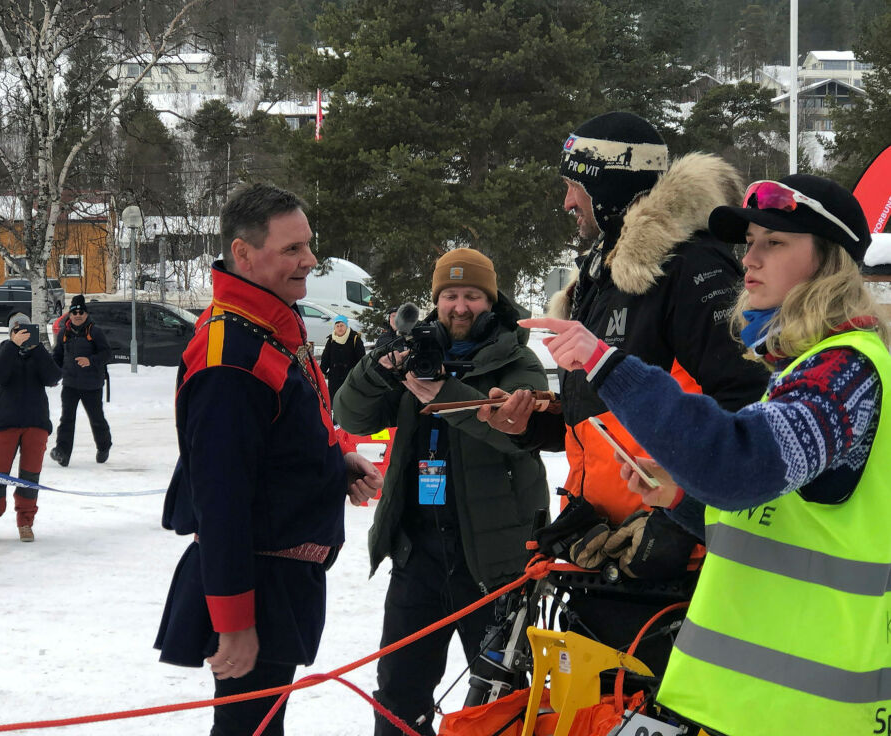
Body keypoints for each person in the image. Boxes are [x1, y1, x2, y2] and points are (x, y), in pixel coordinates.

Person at [525, 175, 889, 736]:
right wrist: (679, 497)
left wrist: (609, 364)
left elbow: (741, 469)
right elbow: (783, 518)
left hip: (807, 713)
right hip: (749, 705)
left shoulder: (844, 372)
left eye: (776, 242)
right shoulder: (806, 367)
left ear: (828, 262)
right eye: (750, 243)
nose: (751, 259)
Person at [478, 111, 767, 674]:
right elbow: (614, 416)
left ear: (607, 187)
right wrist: (535, 423)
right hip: (604, 553)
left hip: (674, 564)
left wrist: (677, 519)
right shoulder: (603, 276)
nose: (566, 203)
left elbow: (749, 403)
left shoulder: (688, 266)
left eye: (574, 187)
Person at [155, 183, 383, 736]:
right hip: (254, 582)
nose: (309, 261)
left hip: (281, 580)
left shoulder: (268, 325)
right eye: (291, 250)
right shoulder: (229, 357)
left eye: (308, 246)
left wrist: (335, 466)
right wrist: (234, 623)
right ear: (243, 254)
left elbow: (279, 441)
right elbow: (221, 497)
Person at [333, 248, 549, 736]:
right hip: (418, 556)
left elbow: (522, 432)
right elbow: (350, 415)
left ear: (489, 301)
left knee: (504, 699)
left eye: (471, 295)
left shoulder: (518, 358)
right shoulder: (416, 355)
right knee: (398, 695)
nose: (459, 306)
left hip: (496, 564)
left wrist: (449, 396)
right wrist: (378, 368)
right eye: (449, 295)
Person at [0, 312, 62, 542]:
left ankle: (26, 521)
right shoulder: (4, 352)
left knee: (30, 475)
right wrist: (13, 347)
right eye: (17, 331)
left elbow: (54, 377)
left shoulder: (39, 353)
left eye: (25, 330)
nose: (22, 335)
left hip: (36, 423)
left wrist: (38, 349)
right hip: (5, 422)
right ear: (10, 333)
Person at [49, 294, 112, 466]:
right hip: (70, 384)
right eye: (74, 312)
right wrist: (54, 375)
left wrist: (90, 360)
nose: (77, 315)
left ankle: (104, 446)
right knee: (66, 419)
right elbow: (57, 356)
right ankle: (62, 453)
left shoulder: (95, 332)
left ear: (86, 314)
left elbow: (107, 354)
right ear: (69, 315)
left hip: (92, 384)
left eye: (81, 313)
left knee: (96, 418)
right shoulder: (64, 333)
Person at [319, 314, 365, 402]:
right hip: (334, 378)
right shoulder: (331, 340)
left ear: (346, 326)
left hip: (350, 378)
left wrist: (358, 375)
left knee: (349, 402)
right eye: (337, 326)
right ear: (334, 328)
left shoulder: (355, 339)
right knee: (335, 403)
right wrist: (322, 371)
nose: (340, 328)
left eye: (342, 325)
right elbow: (326, 358)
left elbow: (361, 359)